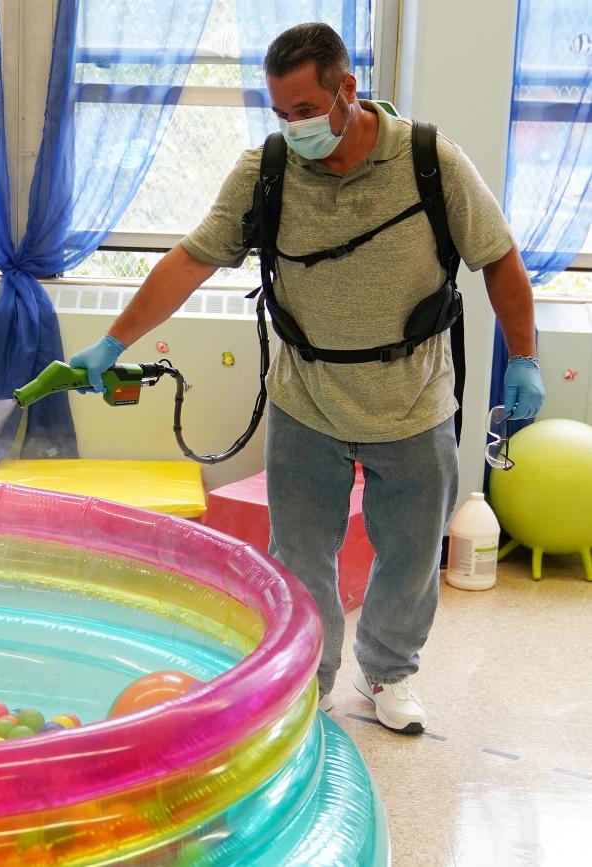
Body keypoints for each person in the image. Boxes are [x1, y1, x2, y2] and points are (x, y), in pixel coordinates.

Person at [68, 22, 544, 734]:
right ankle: (309, 678)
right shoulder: (265, 170)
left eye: (304, 110)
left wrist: (526, 357)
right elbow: (192, 260)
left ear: (347, 89)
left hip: (412, 400)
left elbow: (499, 258)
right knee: (298, 557)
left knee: (413, 555)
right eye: (281, 114)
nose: (294, 128)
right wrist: (111, 340)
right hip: (306, 397)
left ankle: (387, 672)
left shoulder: (429, 160)